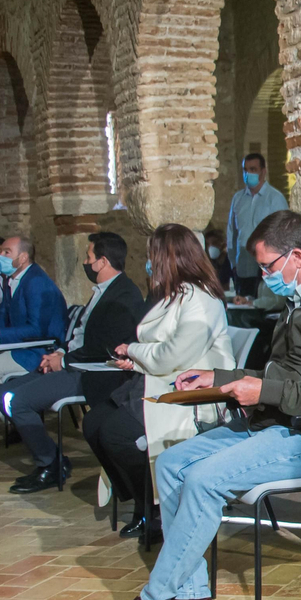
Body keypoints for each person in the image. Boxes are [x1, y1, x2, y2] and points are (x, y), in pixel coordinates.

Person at [90, 210, 301, 600]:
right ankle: (192, 599)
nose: (264, 276)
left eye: (268, 266)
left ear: (296, 256)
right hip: (279, 425)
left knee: (205, 479)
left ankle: (153, 599)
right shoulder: (300, 300)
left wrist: (264, 393)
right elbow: (287, 377)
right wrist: (221, 379)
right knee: (171, 465)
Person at [81, 224, 234, 539]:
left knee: (116, 434)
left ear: (169, 258)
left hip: (192, 394)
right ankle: (144, 501)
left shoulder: (201, 300)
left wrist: (135, 351)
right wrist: (134, 357)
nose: (148, 263)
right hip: (156, 380)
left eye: (152, 256)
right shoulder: (171, 294)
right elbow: (158, 347)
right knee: (94, 423)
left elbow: (173, 354)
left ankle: (153, 509)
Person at [1, 232, 145, 494]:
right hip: (75, 362)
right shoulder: (104, 291)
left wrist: (64, 361)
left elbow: (105, 348)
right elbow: (80, 334)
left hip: (94, 373)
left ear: (102, 261)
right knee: (6, 391)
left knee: (19, 400)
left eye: (88, 257)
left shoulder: (124, 296)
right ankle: (50, 458)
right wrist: (58, 354)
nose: (85, 262)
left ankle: (50, 465)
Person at [0, 235, 67, 400]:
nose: (0, 256)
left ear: (23, 257)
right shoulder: (12, 279)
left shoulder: (36, 282)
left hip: (38, 350)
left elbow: (37, 328)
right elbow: (4, 313)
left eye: (7, 252)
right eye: (1, 251)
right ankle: (14, 408)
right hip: (20, 345)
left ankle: (16, 412)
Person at [223, 153, 288, 298]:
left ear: (263, 171)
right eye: (245, 170)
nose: (248, 174)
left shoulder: (275, 198)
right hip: (242, 266)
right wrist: (233, 262)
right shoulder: (238, 198)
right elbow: (232, 232)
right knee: (243, 304)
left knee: (262, 306)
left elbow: (283, 233)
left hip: (266, 269)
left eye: (253, 169)